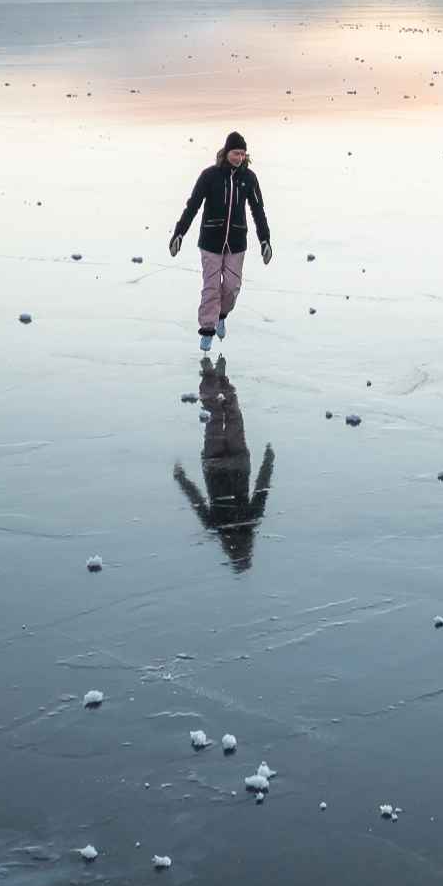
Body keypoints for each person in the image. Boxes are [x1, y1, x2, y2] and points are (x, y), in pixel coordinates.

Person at [169, 131, 271, 350]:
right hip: (210, 242)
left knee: (232, 288)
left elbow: (258, 210)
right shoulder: (210, 176)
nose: (239, 158)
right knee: (211, 288)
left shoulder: (249, 178)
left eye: (243, 154)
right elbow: (193, 205)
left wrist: (265, 240)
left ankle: (221, 314)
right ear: (226, 152)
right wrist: (179, 233)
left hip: (236, 243)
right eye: (236, 153)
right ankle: (207, 329)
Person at [173, 354, 274, 572]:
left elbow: (262, 489)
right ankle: (211, 376)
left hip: (238, 464)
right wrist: (182, 479)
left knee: (233, 415)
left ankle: (221, 379)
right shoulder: (215, 526)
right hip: (215, 466)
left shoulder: (251, 521)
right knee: (215, 416)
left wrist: (269, 459)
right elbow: (196, 500)